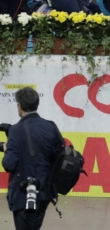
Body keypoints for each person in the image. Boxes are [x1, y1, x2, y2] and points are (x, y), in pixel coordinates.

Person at [1, 87, 66, 230]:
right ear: (37, 104)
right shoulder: (50, 126)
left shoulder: (15, 130)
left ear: (19, 106)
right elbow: (59, 155)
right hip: (44, 193)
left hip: (23, 195)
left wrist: (6, 149)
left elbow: (9, 164)